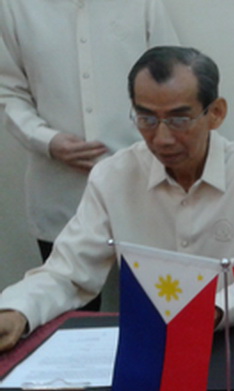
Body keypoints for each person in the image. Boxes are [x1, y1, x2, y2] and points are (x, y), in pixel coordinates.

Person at [0, 46, 234, 352]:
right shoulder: (113, 176)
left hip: (231, 341)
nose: (162, 138)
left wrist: (209, 313)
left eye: (179, 119)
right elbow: (68, 273)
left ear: (215, 113)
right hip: (148, 347)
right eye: (147, 119)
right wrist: (17, 310)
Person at [0, 1, 179, 307]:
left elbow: (176, 78)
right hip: (60, 190)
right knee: (66, 314)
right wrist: (47, 140)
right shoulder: (15, 7)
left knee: (155, 311)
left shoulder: (143, 4)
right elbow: (8, 91)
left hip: (144, 184)